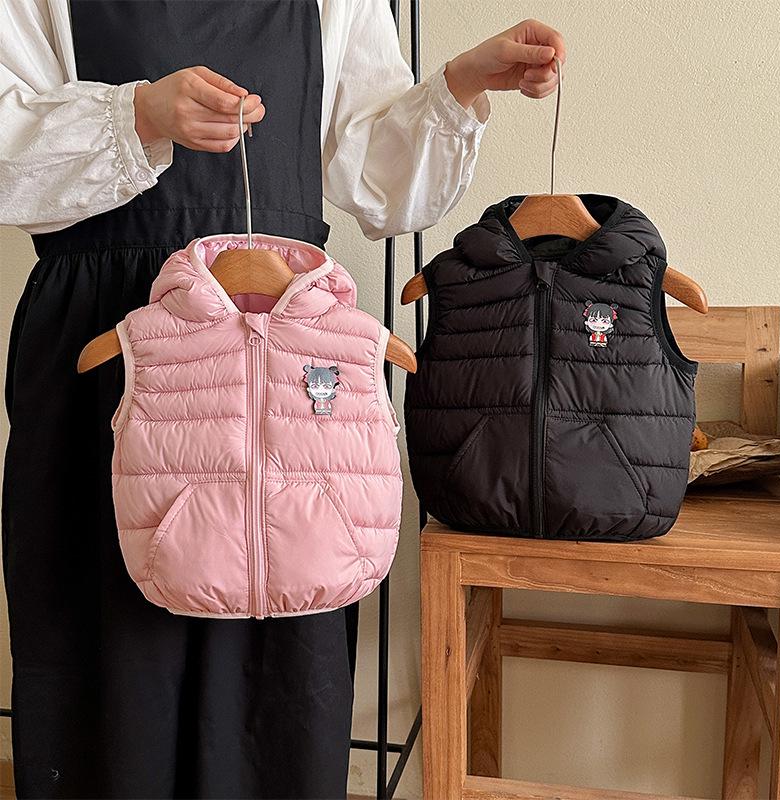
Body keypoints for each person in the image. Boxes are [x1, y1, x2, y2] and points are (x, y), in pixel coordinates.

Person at [0, 1, 566, 797]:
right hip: (110, 339)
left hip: (285, 349)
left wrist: (459, 84)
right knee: (112, 663)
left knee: (283, 648)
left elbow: (380, 185)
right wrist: (139, 114)